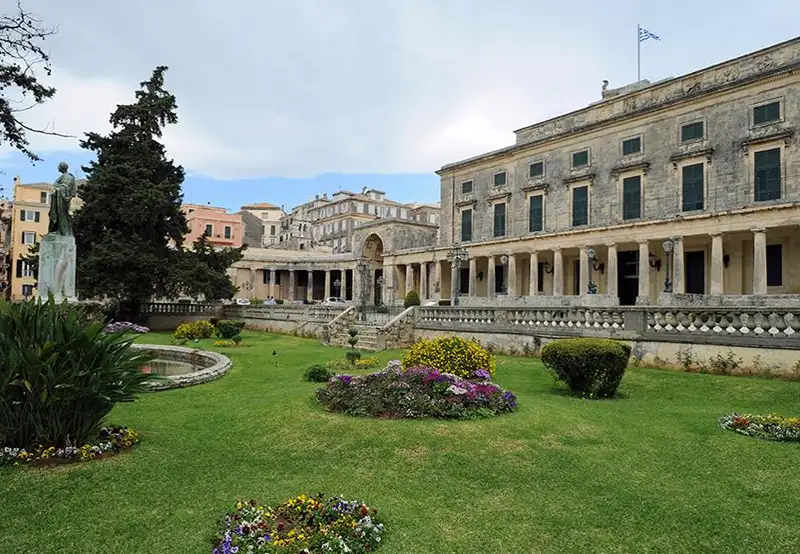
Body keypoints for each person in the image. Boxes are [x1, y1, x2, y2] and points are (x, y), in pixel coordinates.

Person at [48, 161, 77, 236]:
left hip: (63, 199)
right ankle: (57, 229)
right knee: (55, 213)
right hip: (58, 197)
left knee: (62, 214)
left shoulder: (70, 177)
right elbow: (55, 185)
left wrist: (58, 189)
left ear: (61, 167)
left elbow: (69, 189)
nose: (58, 168)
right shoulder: (62, 177)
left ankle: (63, 231)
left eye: (58, 166)